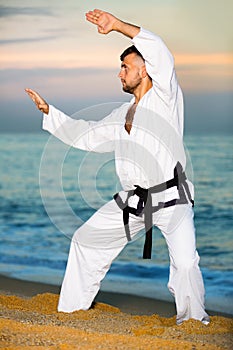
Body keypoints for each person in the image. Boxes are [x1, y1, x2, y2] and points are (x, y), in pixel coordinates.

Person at [25, 9, 210, 325]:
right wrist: (49, 112)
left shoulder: (165, 97)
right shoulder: (123, 113)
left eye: (125, 67)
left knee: (185, 263)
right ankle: (72, 313)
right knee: (85, 241)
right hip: (134, 200)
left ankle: (193, 322)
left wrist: (118, 27)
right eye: (120, 67)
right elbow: (88, 135)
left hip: (172, 197)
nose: (120, 73)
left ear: (144, 70)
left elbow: (160, 52)